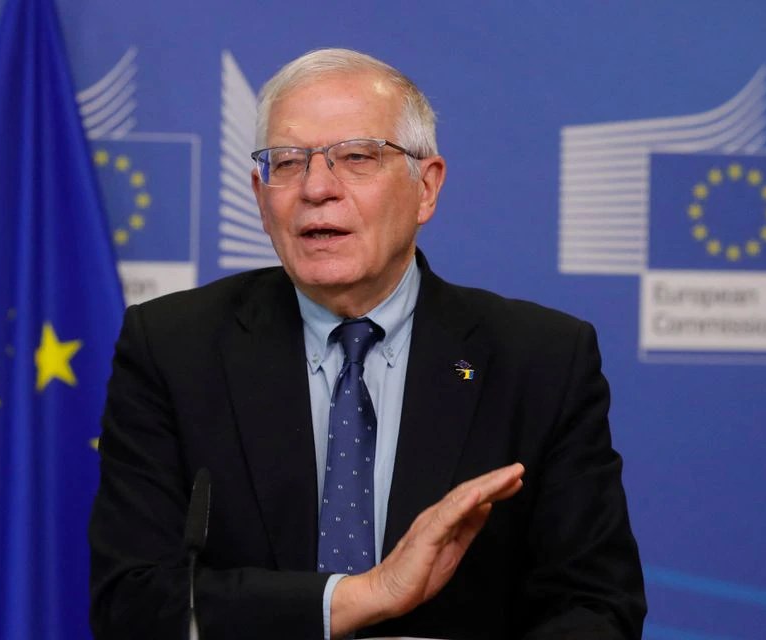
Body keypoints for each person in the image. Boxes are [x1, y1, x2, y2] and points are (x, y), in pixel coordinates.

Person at [89, 48, 646, 639]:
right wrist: (360, 598)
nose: (316, 188)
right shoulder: (173, 349)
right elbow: (133, 603)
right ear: (260, 196)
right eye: (288, 162)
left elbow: (596, 607)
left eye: (356, 158)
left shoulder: (539, 360)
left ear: (426, 188)